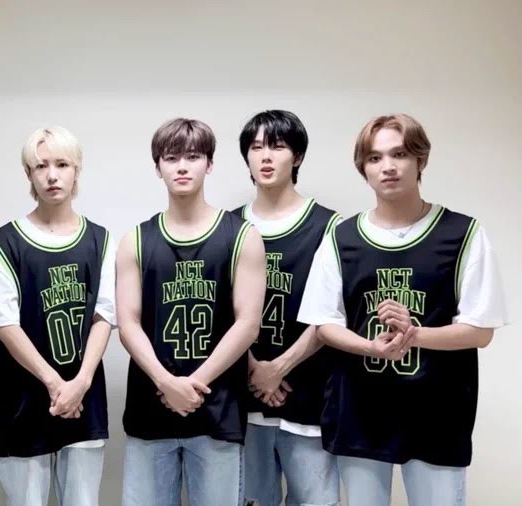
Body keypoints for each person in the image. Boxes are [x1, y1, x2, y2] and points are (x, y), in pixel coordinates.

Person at [298, 113, 509, 506]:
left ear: (420, 160)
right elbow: (325, 323)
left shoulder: (462, 234)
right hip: (359, 410)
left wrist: (415, 335)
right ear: (363, 168)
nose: (388, 166)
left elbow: (480, 330)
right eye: (375, 158)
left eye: (399, 154)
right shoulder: (341, 238)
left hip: (437, 413)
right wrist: (371, 347)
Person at [117, 118, 265, 506]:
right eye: (171, 158)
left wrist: (193, 384)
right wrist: (165, 382)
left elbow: (248, 324)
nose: (182, 166)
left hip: (217, 411)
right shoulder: (136, 240)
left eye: (193, 157)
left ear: (209, 164)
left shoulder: (242, 236)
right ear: (158, 167)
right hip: (150, 411)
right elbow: (128, 323)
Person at [0, 126, 115, 506]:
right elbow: (3, 324)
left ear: (76, 170)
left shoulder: (100, 240)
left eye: (62, 164)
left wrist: (81, 382)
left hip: (84, 399)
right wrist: (55, 383)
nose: (52, 175)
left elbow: (104, 316)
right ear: (29, 174)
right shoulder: (5, 242)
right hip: (23, 398)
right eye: (41, 166)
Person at [234, 110, 340, 506]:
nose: (265, 156)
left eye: (277, 146)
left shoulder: (329, 226)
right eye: (256, 147)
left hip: (310, 401)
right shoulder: (229, 227)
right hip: (243, 402)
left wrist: (278, 368)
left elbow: (331, 315)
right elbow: (221, 313)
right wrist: (255, 369)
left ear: (297, 156)